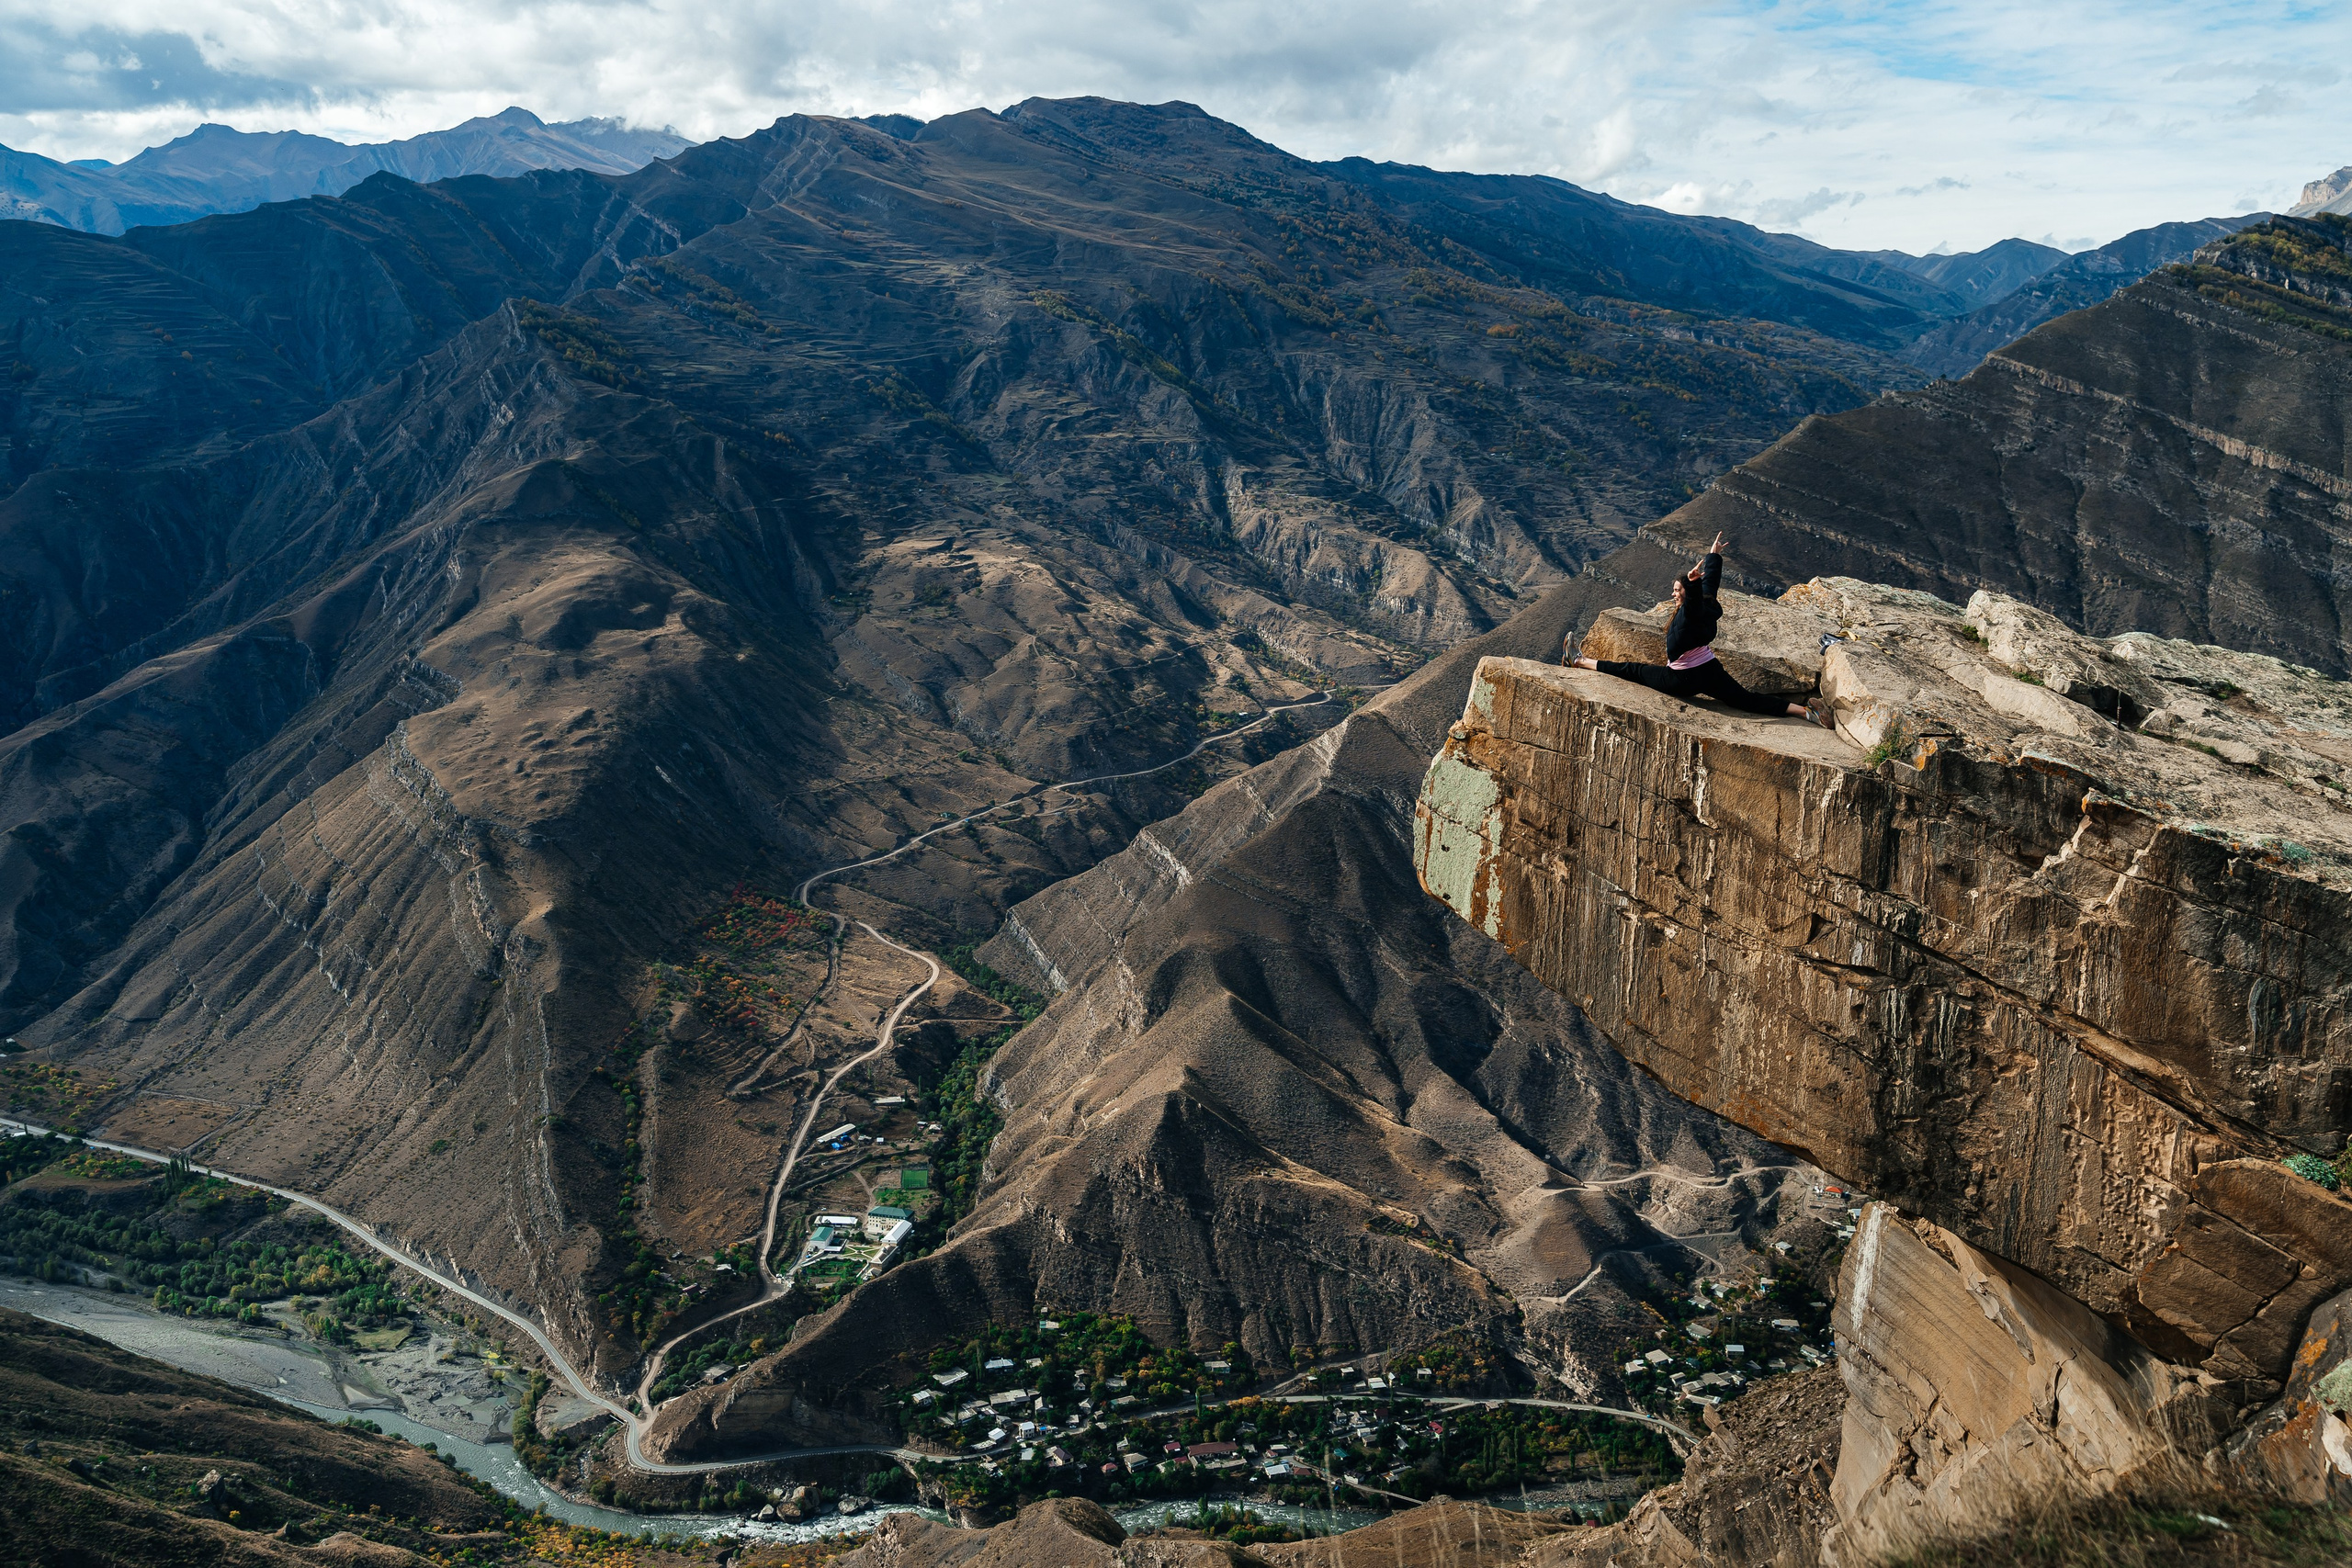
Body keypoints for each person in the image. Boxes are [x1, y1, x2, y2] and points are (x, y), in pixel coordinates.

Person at [1567, 533, 1833, 727]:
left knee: (1632, 670)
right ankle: (1805, 712)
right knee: (1744, 699)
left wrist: (1692, 585)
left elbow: (1694, 600)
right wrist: (1714, 555)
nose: (1673, 595)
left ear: (1686, 593)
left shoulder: (1690, 613)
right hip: (1709, 669)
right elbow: (1711, 585)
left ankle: (1578, 660)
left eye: (1676, 590)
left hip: (1681, 680)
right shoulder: (1707, 607)